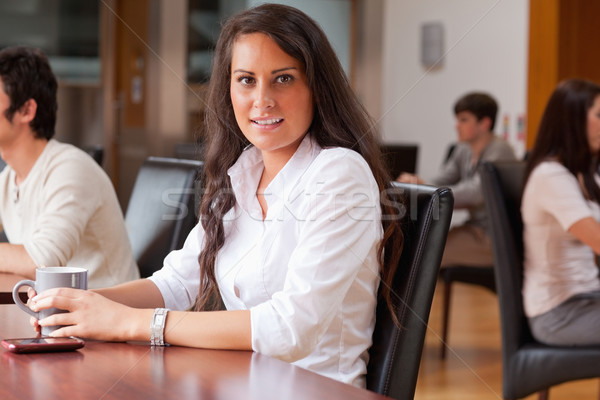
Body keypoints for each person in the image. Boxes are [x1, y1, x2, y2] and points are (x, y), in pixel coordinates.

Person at [28, 4, 404, 388]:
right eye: (246, 80)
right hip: (242, 383)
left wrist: (134, 323)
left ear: (316, 88)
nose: (262, 100)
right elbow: (175, 284)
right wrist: (80, 307)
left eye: (283, 79)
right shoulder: (244, 170)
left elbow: (292, 328)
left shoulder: (339, 173)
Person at [0, 46, 139, 287]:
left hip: (109, 316)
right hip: (56, 313)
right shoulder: (9, 177)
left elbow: (42, 262)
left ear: (26, 110)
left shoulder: (70, 168)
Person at [522, 78, 600, 346]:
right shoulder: (551, 176)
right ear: (574, 120)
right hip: (559, 313)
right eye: (599, 115)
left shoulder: (583, 174)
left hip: (588, 299)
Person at [397, 92, 516, 267]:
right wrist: (418, 183)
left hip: (495, 237)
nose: (456, 126)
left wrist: (423, 187)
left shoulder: (500, 151)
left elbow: (474, 194)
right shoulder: (464, 150)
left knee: (423, 252)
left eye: (463, 120)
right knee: (416, 244)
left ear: (484, 123)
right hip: (473, 229)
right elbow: (441, 179)